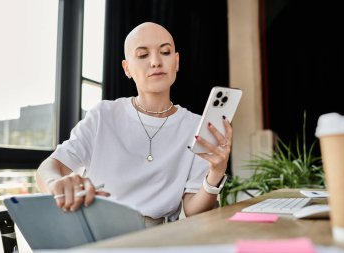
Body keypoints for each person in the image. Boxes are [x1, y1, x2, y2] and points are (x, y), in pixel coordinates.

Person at [36, 22, 232, 227]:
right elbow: (51, 166)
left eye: (165, 52)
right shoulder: (103, 115)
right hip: (98, 233)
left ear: (176, 62)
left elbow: (193, 209)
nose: (156, 62)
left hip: (157, 237)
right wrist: (55, 184)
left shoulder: (195, 126)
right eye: (143, 55)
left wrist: (216, 173)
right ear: (127, 68)